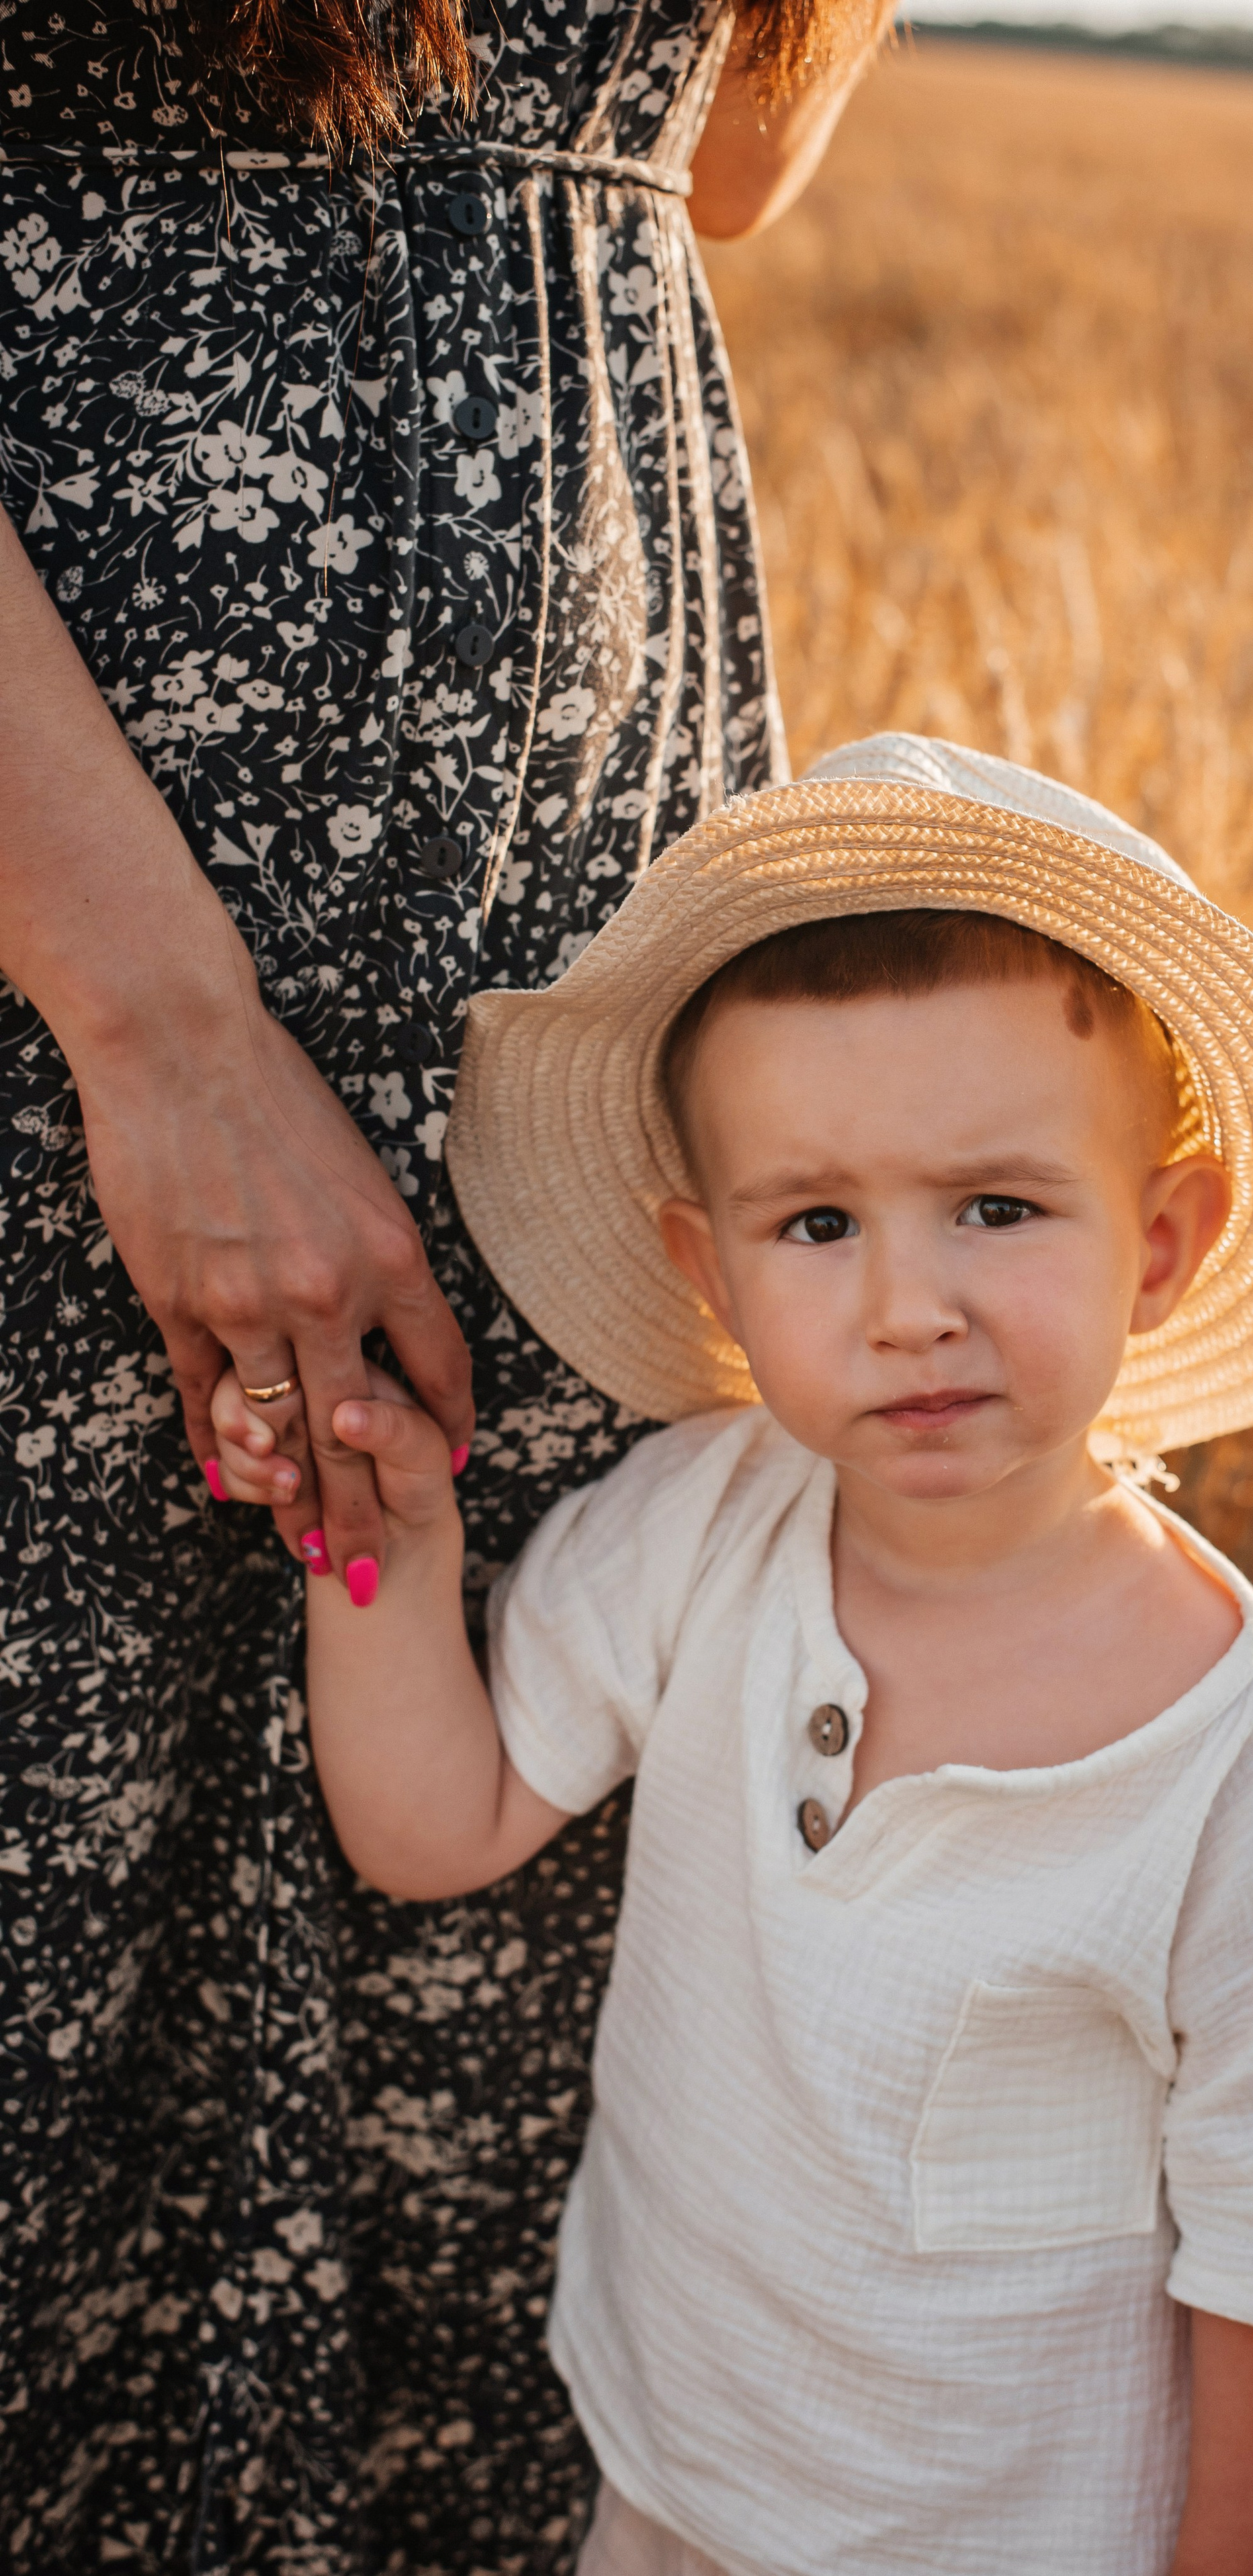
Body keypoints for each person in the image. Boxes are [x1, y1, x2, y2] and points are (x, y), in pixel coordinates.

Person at [207, 736, 1253, 2575]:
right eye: (816, 1223)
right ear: (709, 1270)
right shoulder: (707, 1525)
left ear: (1162, 1241)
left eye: (999, 1207)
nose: (907, 1305)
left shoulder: (1234, 1747)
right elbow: (433, 1823)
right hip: (675, 2484)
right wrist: (385, 1547)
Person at [0, 0, 885, 2560]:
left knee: (500, 1980)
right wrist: (155, 1021)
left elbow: (722, 160)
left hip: (580, 997)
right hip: (65, 946)